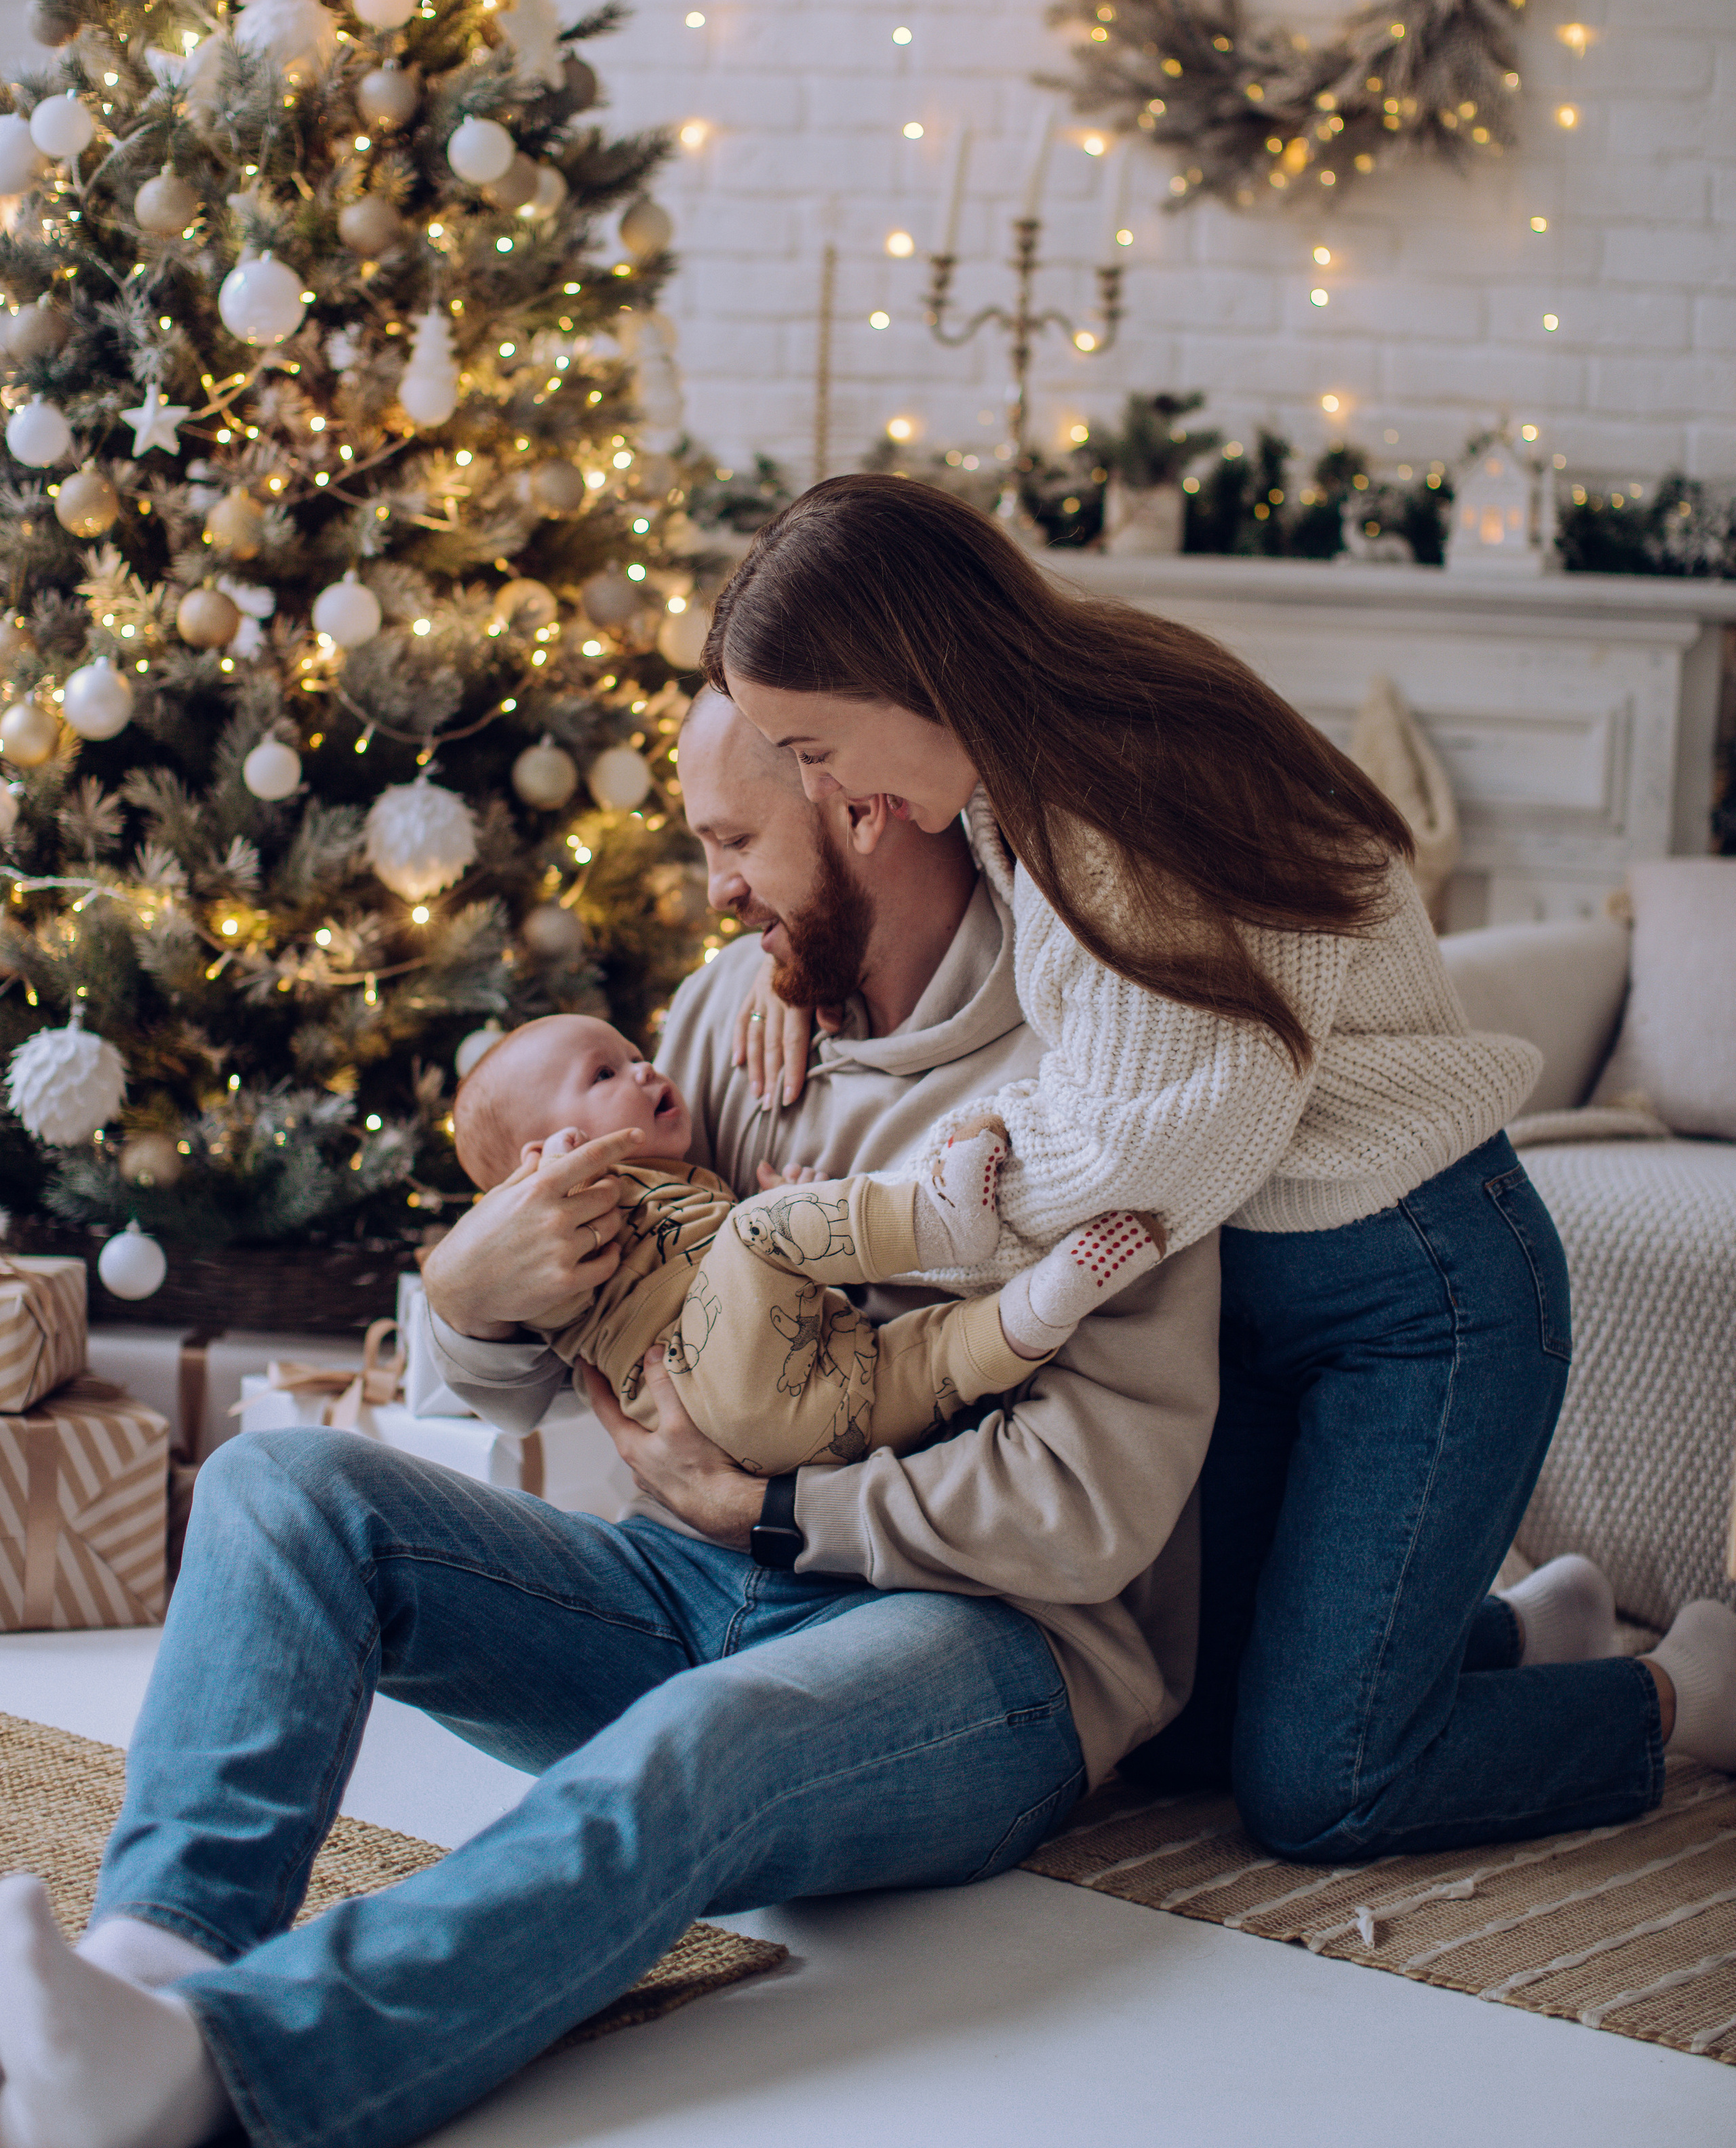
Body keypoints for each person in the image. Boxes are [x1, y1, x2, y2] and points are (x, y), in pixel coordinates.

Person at [0, 693, 1218, 2148]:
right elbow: (545, 1361)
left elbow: (1092, 1516)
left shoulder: (1101, 1077)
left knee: (696, 1741)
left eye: (731, 840)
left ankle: (222, 2070)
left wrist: (778, 1515)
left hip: (977, 1646)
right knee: (279, 1485)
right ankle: (157, 1959)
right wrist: (463, 1291)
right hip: (680, 1584)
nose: (712, 888)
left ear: (858, 804)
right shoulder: (728, 1009)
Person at [707, 470, 1736, 1861]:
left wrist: (893, 1218)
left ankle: (1677, 1695)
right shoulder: (1019, 785)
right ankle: (1515, 1633)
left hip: (1417, 1296)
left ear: (910, 670)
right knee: (1186, 1730)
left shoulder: (1127, 781)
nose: (826, 795)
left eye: (812, 746)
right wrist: (792, 961)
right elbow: (1052, 1015)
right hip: (1256, 1298)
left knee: (1327, 1789)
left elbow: (1159, 1137)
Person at [448, 1010, 1163, 1470]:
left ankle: (1032, 1312)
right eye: (603, 1074)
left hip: (798, 1429)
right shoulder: (579, 1215)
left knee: (912, 1364)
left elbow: (723, 1281)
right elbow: (556, 1306)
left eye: (633, 1051)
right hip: (704, 1400)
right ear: (547, 1159)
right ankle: (941, 1221)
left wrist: (792, 1220)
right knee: (760, 1231)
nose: (645, 1068)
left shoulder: (683, 1182)